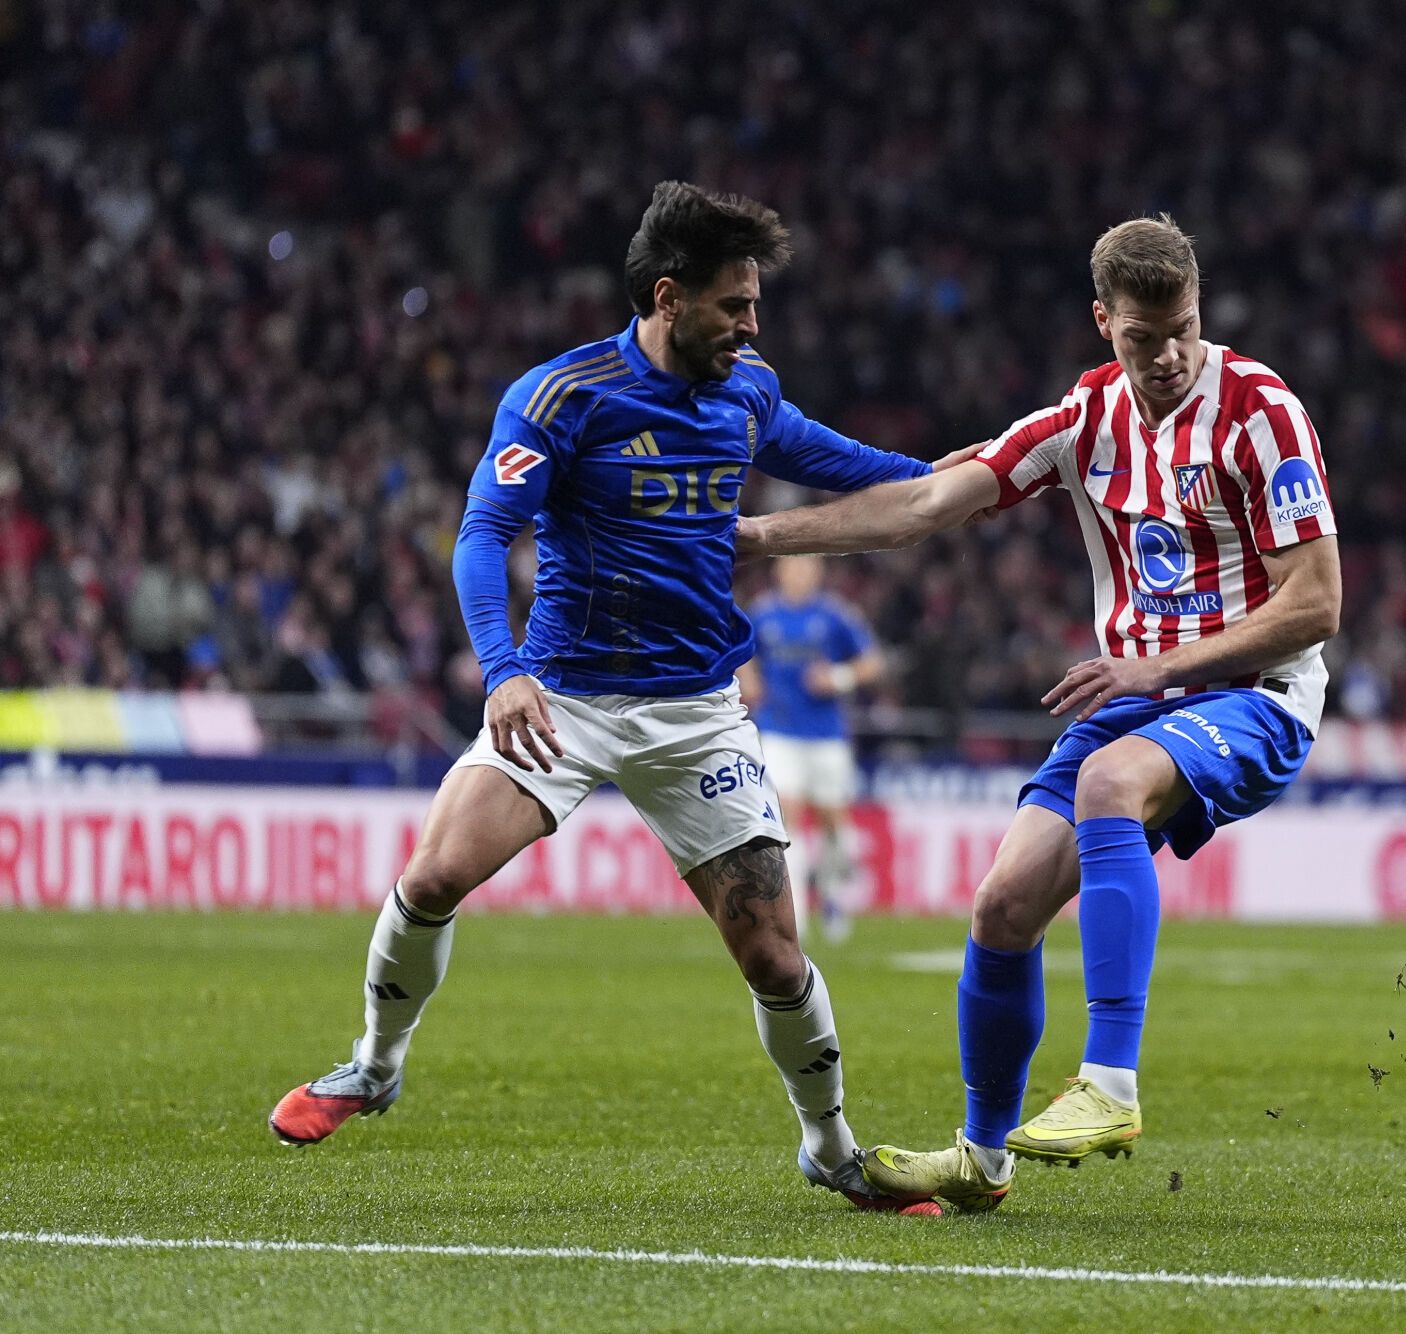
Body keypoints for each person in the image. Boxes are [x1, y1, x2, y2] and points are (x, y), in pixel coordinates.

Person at [268, 181, 959, 1215]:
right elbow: (479, 536)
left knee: (774, 954)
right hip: (567, 698)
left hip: (696, 711)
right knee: (434, 873)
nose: (751, 324)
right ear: (668, 295)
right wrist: (504, 671)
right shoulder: (563, 396)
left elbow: (847, 465)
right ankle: (372, 1064)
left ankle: (829, 1144)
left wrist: (966, 472)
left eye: (755, 303)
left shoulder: (749, 391)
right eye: (734, 304)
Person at [738, 215, 1342, 1211]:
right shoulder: (1082, 417)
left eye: (1183, 328)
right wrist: (756, 535)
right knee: (1002, 904)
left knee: (1109, 782)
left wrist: (1158, 670)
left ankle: (1108, 1080)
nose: (1168, 355)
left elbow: (1314, 603)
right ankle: (982, 1157)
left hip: (1253, 693)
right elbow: (925, 503)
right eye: (1143, 336)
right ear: (1102, 321)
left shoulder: (1258, 410)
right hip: (1135, 695)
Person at [743, 556, 882, 943]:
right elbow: (743, 654)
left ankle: (833, 895)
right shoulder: (762, 614)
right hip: (778, 730)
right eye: (793, 565)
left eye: (807, 566)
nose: (800, 573)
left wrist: (838, 677)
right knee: (786, 819)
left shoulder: (835, 615)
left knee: (834, 825)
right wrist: (750, 680)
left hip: (827, 735)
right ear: (779, 570)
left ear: (817, 572)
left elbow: (872, 663)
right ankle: (795, 916)